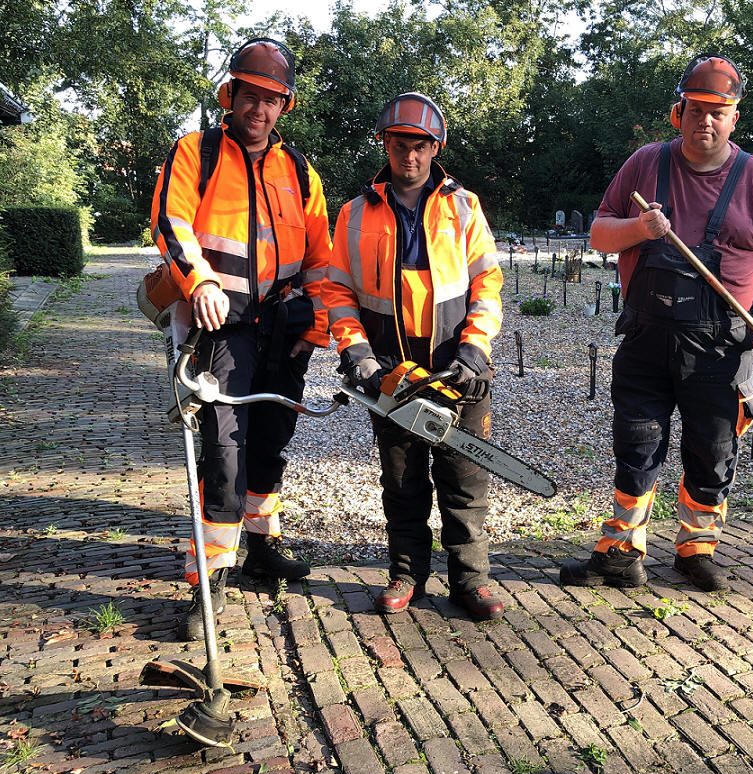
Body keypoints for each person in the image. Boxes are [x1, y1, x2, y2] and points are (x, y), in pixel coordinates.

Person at [559, 54, 753, 592]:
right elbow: (600, 235)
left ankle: (696, 549)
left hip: (722, 346)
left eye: (718, 111)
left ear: (734, 117)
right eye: (696, 109)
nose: (706, 121)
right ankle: (622, 551)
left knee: (713, 448)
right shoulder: (645, 164)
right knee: (636, 442)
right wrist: (641, 229)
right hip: (647, 337)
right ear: (679, 111)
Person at [150, 38, 333, 639]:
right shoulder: (196, 153)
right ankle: (211, 579)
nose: (259, 109)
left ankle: (262, 548)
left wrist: (317, 325)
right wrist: (198, 280)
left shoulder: (299, 170)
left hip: (283, 326)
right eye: (250, 96)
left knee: (271, 440)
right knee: (224, 452)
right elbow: (172, 224)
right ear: (231, 95)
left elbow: (321, 258)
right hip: (221, 328)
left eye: (271, 100)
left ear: (285, 106)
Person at [322, 93, 505, 620]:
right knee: (402, 480)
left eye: (420, 146)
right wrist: (355, 351)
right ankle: (407, 574)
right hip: (391, 370)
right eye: (401, 145)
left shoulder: (463, 207)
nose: (410, 156)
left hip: (458, 364)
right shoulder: (355, 213)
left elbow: (487, 282)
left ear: (435, 148)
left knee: (464, 479)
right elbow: (337, 290)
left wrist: (474, 346)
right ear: (386, 144)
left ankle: (471, 580)